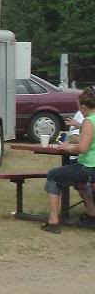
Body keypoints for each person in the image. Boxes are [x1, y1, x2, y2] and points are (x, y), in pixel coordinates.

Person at [42, 87, 95, 232]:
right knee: (74, 178)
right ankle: (91, 214)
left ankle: (53, 221)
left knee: (53, 175)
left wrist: (67, 147)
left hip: (88, 167)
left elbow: (82, 148)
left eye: (79, 107)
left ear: (84, 107)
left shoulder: (89, 122)